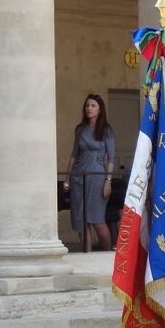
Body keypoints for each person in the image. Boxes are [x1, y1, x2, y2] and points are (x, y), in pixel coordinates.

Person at [64, 94, 115, 251]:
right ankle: (87, 253)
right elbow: (74, 155)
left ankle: (107, 254)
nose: (89, 108)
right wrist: (67, 179)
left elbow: (111, 158)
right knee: (81, 219)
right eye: (87, 106)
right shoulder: (80, 129)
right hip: (79, 176)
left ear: (100, 110)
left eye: (93, 106)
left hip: (97, 177)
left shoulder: (106, 130)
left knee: (96, 219)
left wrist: (108, 181)